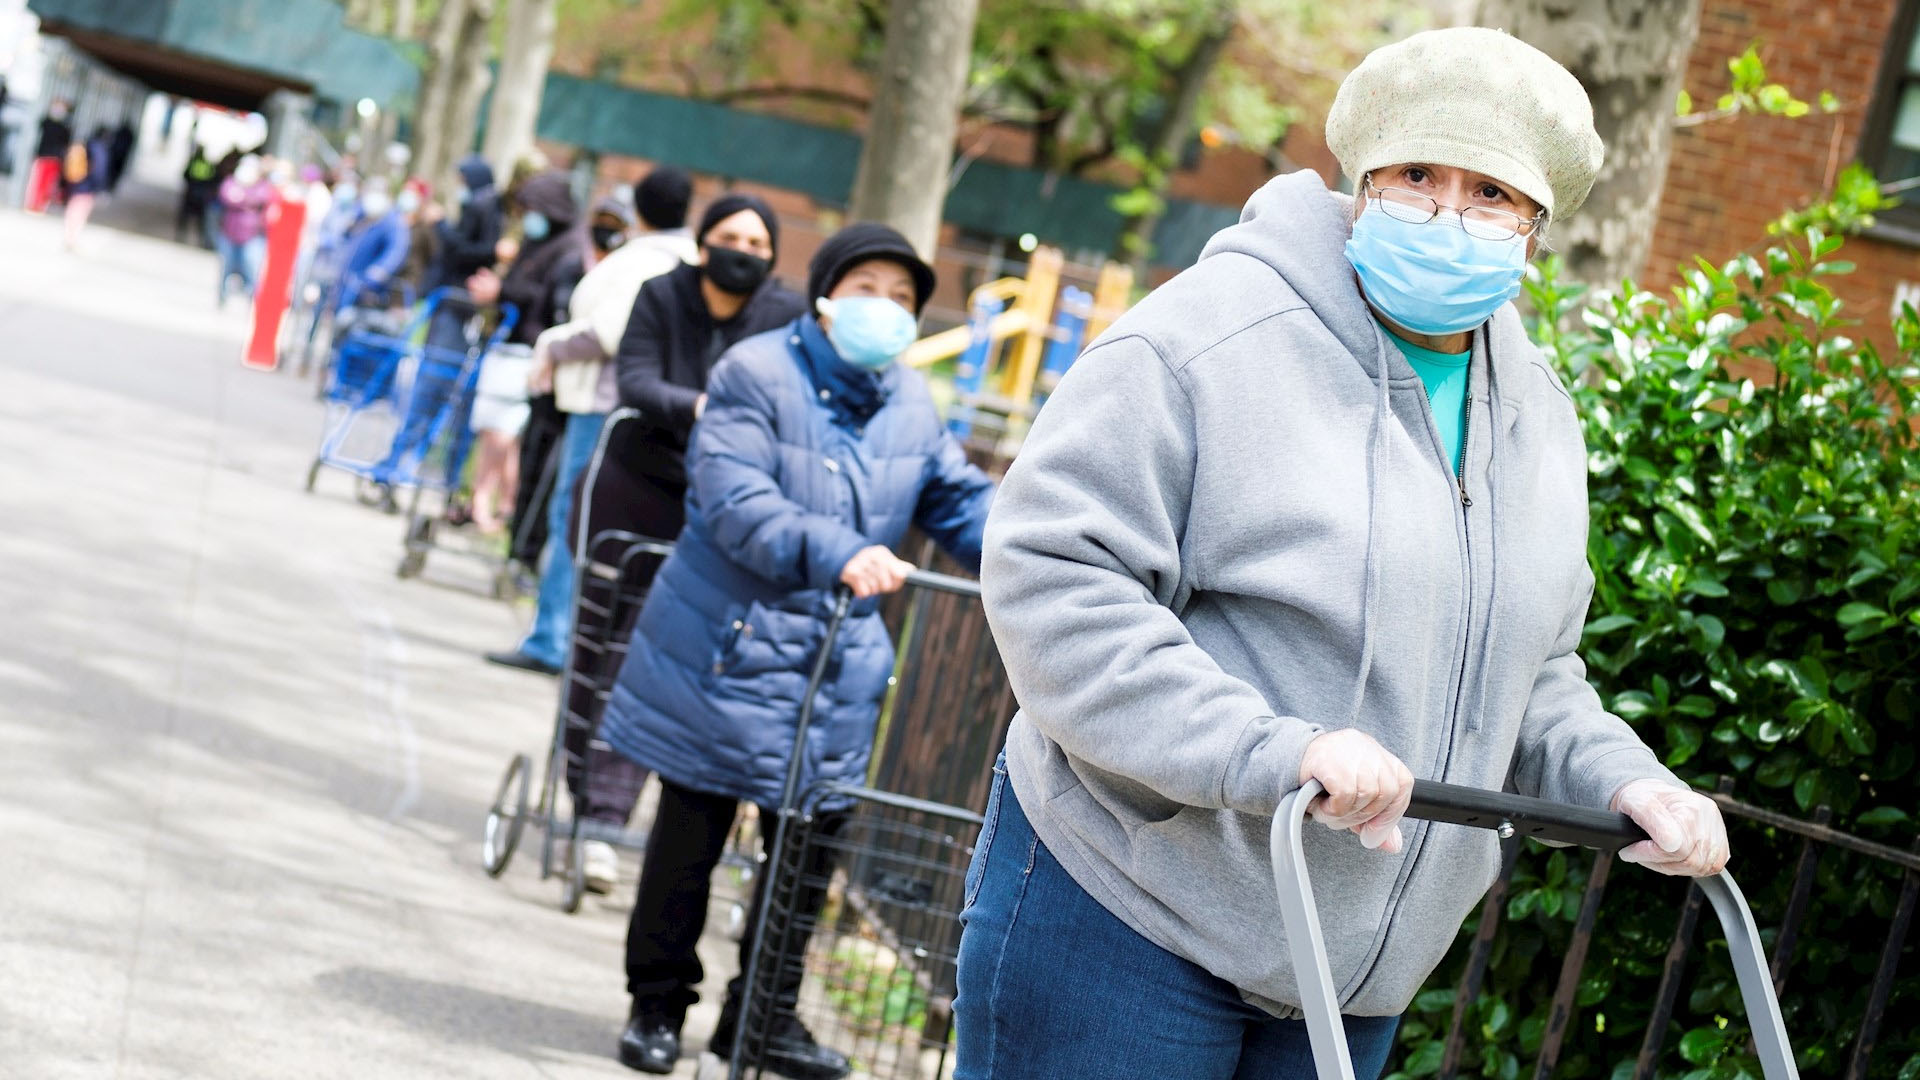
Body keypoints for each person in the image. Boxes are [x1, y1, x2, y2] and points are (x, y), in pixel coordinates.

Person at [956, 27, 1732, 1080]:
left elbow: (1532, 670)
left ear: (1537, 227)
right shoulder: (1201, 340)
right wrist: (1271, 749)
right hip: (1128, 914)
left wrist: (1625, 782)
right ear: (1361, 179)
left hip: (1350, 982)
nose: (1448, 214)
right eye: (1417, 176)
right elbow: (1057, 576)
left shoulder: (1540, 418)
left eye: (1491, 193)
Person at [599, 223, 993, 1078]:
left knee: (806, 856)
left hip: (833, 668)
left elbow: (957, 499)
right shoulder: (755, 373)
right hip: (729, 649)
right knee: (689, 842)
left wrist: (1034, 547)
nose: (885, 309)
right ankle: (657, 1006)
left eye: (903, 297)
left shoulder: (910, 401)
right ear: (824, 296)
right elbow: (734, 499)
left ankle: (762, 1019)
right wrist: (837, 550)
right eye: (867, 289)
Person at [484, 167, 693, 684]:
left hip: (604, 405)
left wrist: (552, 345)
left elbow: (609, 331)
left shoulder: (647, 260)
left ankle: (554, 638)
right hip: (637, 410)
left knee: (575, 518)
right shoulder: (683, 259)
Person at [463, 169, 588, 535]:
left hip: (531, 349)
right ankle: (487, 502)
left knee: (505, 433)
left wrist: (502, 292)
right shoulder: (537, 241)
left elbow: (547, 298)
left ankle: (498, 504)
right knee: (494, 429)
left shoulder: (569, 248)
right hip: (509, 343)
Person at [333, 178, 410, 314]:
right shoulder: (362, 214)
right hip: (345, 282)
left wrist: (376, 274)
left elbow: (395, 252)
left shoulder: (393, 223)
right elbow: (345, 236)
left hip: (365, 290)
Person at [214, 155, 273, 306]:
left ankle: (253, 300)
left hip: (251, 235)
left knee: (251, 269)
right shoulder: (231, 182)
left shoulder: (263, 186)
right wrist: (247, 202)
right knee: (226, 267)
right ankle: (222, 297)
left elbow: (261, 199)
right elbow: (227, 197)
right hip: (229, 232)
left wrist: (242, 198)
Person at [61, 127, 111, 252]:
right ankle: (72, 238)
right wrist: (100, 187)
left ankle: (68, 236)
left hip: (77, 181)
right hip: (88, 186)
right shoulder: (100, 149)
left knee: (73, 208)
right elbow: (99, 171)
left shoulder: (87, 145)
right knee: (80, 212)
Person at [28, 99, 72, 213]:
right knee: (37, 182)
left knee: (48, 184)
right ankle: (33, 205)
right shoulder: (47, 122)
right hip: (42, 156)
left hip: (55, 159)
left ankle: (41, 206)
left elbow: (65, 144)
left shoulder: (65, 128)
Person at [177, 146, 218, 246]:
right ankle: (198, 238)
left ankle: (183, 235)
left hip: (193, 191)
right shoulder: (206, 163)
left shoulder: (194, 162)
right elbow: (211, 179)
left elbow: (185, 175)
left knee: (188, 216)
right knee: (198, 218)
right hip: (200, 192)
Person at [107, 120, 135, 192]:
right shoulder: (129, 134)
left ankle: (110, 184)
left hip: (116, 154)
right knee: (117, 171)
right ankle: (112, 184)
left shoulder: (120, 132)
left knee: (113, 170)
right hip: (122, 155)